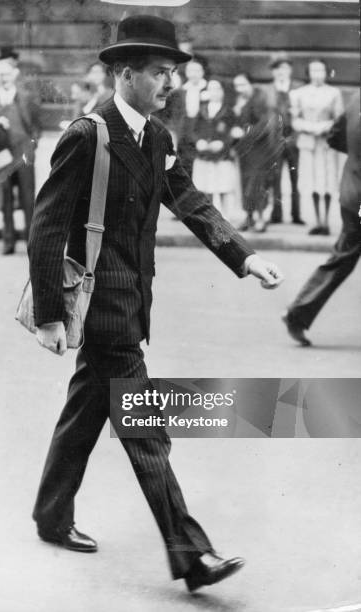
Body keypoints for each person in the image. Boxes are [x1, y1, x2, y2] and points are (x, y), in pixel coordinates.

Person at [27, 15, 283, 593]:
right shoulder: (86, 135)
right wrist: (48, 313)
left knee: (88, 407)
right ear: (124, 74)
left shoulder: (158, 137)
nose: (170, 84)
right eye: (160, 74)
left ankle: (50, 514)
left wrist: (244, 256)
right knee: (146, 427)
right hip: (105, 307)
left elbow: (188, 199)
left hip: (134, 300)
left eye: (172, 73)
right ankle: (192, 555)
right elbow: (46, 227)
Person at [282, 90, 360, 346]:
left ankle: (298, 312)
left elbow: (335, 136)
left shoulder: (357, 98)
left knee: (343, 256)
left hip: (352, 192)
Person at [0, 55, 41, 254]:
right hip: (1, 154)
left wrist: (33, 145)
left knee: (27, 198)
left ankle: (31, 242)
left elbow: (36, 125)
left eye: (7, 73)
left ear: (15, 74)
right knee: (5, 197)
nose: (4, 77)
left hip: (23, 153)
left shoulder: (26, 96)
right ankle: (8, 241)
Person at [290, 59, 344, 235]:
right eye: (314, 71)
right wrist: (310, 128)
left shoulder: (334, 93)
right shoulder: (299, 93)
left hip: (326, 144)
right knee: (311, 181)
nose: (317, 74)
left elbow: (339, 119)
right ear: (308, 73)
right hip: (308, 143)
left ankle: (327, 222)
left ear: (326, 73)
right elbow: (295, 120)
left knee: (327, 181)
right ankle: (316, 221)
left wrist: (324, 127)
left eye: (321, 71)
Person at [232, 72, 283, 233]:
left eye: (242, 85)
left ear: (250, 84)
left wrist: (245, 135)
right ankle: (249, 218)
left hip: (261, 150)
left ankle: (261, 219)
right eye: (236, 86)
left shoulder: (260, 99)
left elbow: (265, 125)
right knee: (246, 183)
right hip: (246, 150)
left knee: (258, 184)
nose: (239, 89)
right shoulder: (241, 101)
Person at [264, 52, 304, 225]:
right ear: (273, 72)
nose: (281, 72)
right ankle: (276, 214)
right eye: (277, 69)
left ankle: (296, 214)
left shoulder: (299, 88)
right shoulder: (266, 91)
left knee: (297, 178)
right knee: (275, 177)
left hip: (295, 139)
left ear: (290, 70)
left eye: (285, 68)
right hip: (274, 140)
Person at [192, 79, 237, 218]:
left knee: (223, 186)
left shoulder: (229, 111)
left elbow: (233, 132)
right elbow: (194, 130)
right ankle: (209, 217)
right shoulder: (202, 109)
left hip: (222, 155)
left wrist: (223, 143)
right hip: (204, 154)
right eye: (211, 89)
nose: (214, 92)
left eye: (217, 89)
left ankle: (225, 218)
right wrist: (198, 141)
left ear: (223, 91)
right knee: (206, 186)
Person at [177, 59, 207, 177]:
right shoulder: (181, 91)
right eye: (191, 71)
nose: (194, 74)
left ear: (203, 72)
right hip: (184, 135)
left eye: (197, 70)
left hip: (202, 135)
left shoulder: (210, 89)